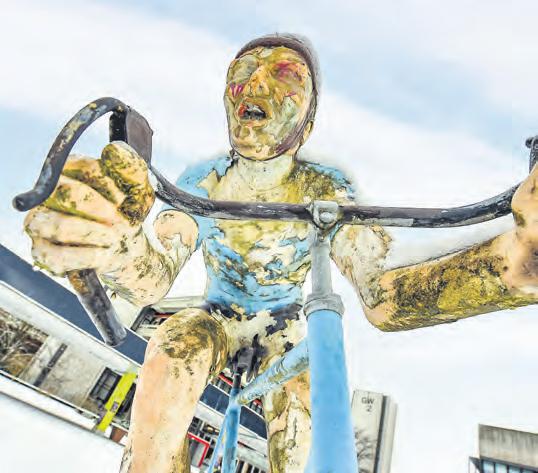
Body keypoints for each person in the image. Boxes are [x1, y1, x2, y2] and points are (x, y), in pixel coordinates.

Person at [23, 34, 538, 472]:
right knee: (173, 348)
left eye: (285, 75)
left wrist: (513, 263)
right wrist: (111, 240)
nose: (255, 84)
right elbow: (154, 275)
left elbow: (384, 292)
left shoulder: (324, 186)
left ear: (306, 124)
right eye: (242, 72)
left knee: (305, 405)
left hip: (284, 326)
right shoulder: (206, 181)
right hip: (218, 315)